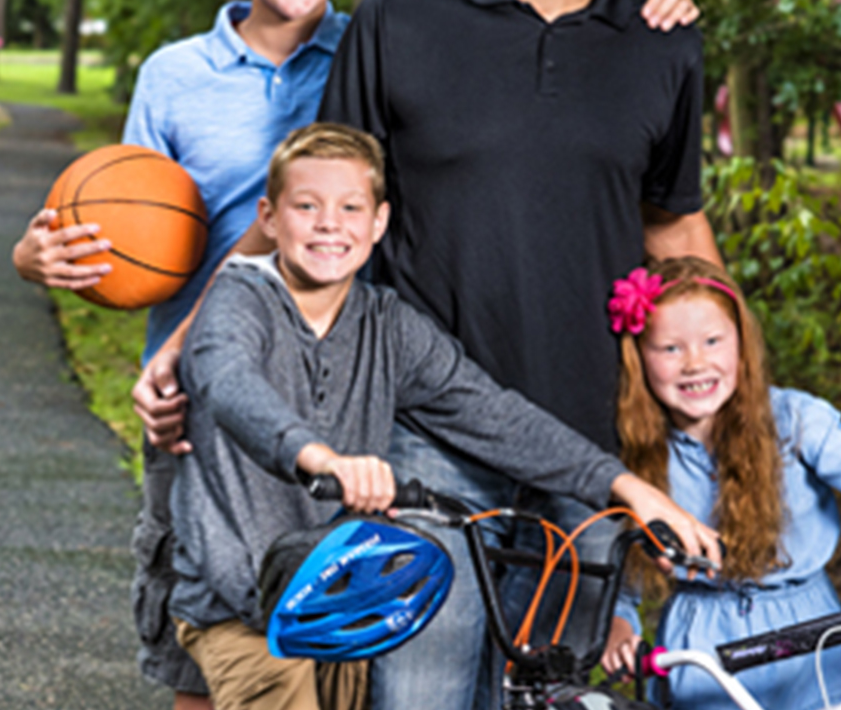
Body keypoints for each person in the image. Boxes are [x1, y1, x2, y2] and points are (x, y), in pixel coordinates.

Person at [12, 0, 699, 709]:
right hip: (218, 396)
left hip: (357, 399)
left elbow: (633, 187)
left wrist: (649, 1)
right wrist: (66, 277)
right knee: (215, 641)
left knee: (341, 669)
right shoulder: (196, 73)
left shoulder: (381, 41)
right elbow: (124, 220)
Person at [310, 0, 723, 707]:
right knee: (419, 696)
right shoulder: (395, 24)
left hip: (593, 444)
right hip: (427, 435)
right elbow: (320, 223)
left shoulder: (663, 39)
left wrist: (737, 398)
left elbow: (676, 229)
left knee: (553, 698)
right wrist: (212, 336)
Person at [169, 123, 720, 710]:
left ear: (378, 223)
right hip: (247, 604)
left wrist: (626, 486)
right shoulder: (238, 299)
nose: (330, 223)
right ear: (270, 218)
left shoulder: (389, 325)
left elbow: (493, 414)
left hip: (342, 598)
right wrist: (319, 457)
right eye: (307, 206)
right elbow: (229, 383)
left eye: (350, 207)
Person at [599, 256, 841, 710]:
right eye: (670, 349)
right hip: (700, 646)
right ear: (639, 358)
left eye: (712, 341)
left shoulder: (796, 419)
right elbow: (619, 566)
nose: (695, 362)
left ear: (742, 346)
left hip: (811, 636)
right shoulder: (635, 456)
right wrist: (620, 627)